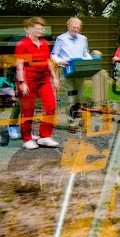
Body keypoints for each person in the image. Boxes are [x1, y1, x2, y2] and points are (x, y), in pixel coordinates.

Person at [15, 17, 60, 150]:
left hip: (44, 79)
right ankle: (27, 138)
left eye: (42, 28)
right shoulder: (22, 44)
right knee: (28, 109)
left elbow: (47, 61)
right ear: (30, 29)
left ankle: (44, 136)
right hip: (28, 79)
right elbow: (19, 64)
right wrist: (22, 83)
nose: (41, 30)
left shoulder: (45, 43)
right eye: (38, 28)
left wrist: (54, 77)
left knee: (51, 105)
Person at [50, 17, 92, 130]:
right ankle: (71, 122)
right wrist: (60, 61)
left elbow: (85, 53)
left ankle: (75, 116)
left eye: (78, 27)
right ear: (68, 26)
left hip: (80, 71)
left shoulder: (83, 39)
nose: (76, 29)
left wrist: (90, 60)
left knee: (78, 97)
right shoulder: (61, 39)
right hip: (67, 71)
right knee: (70, 97)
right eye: (74, 27)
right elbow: (53, 54)